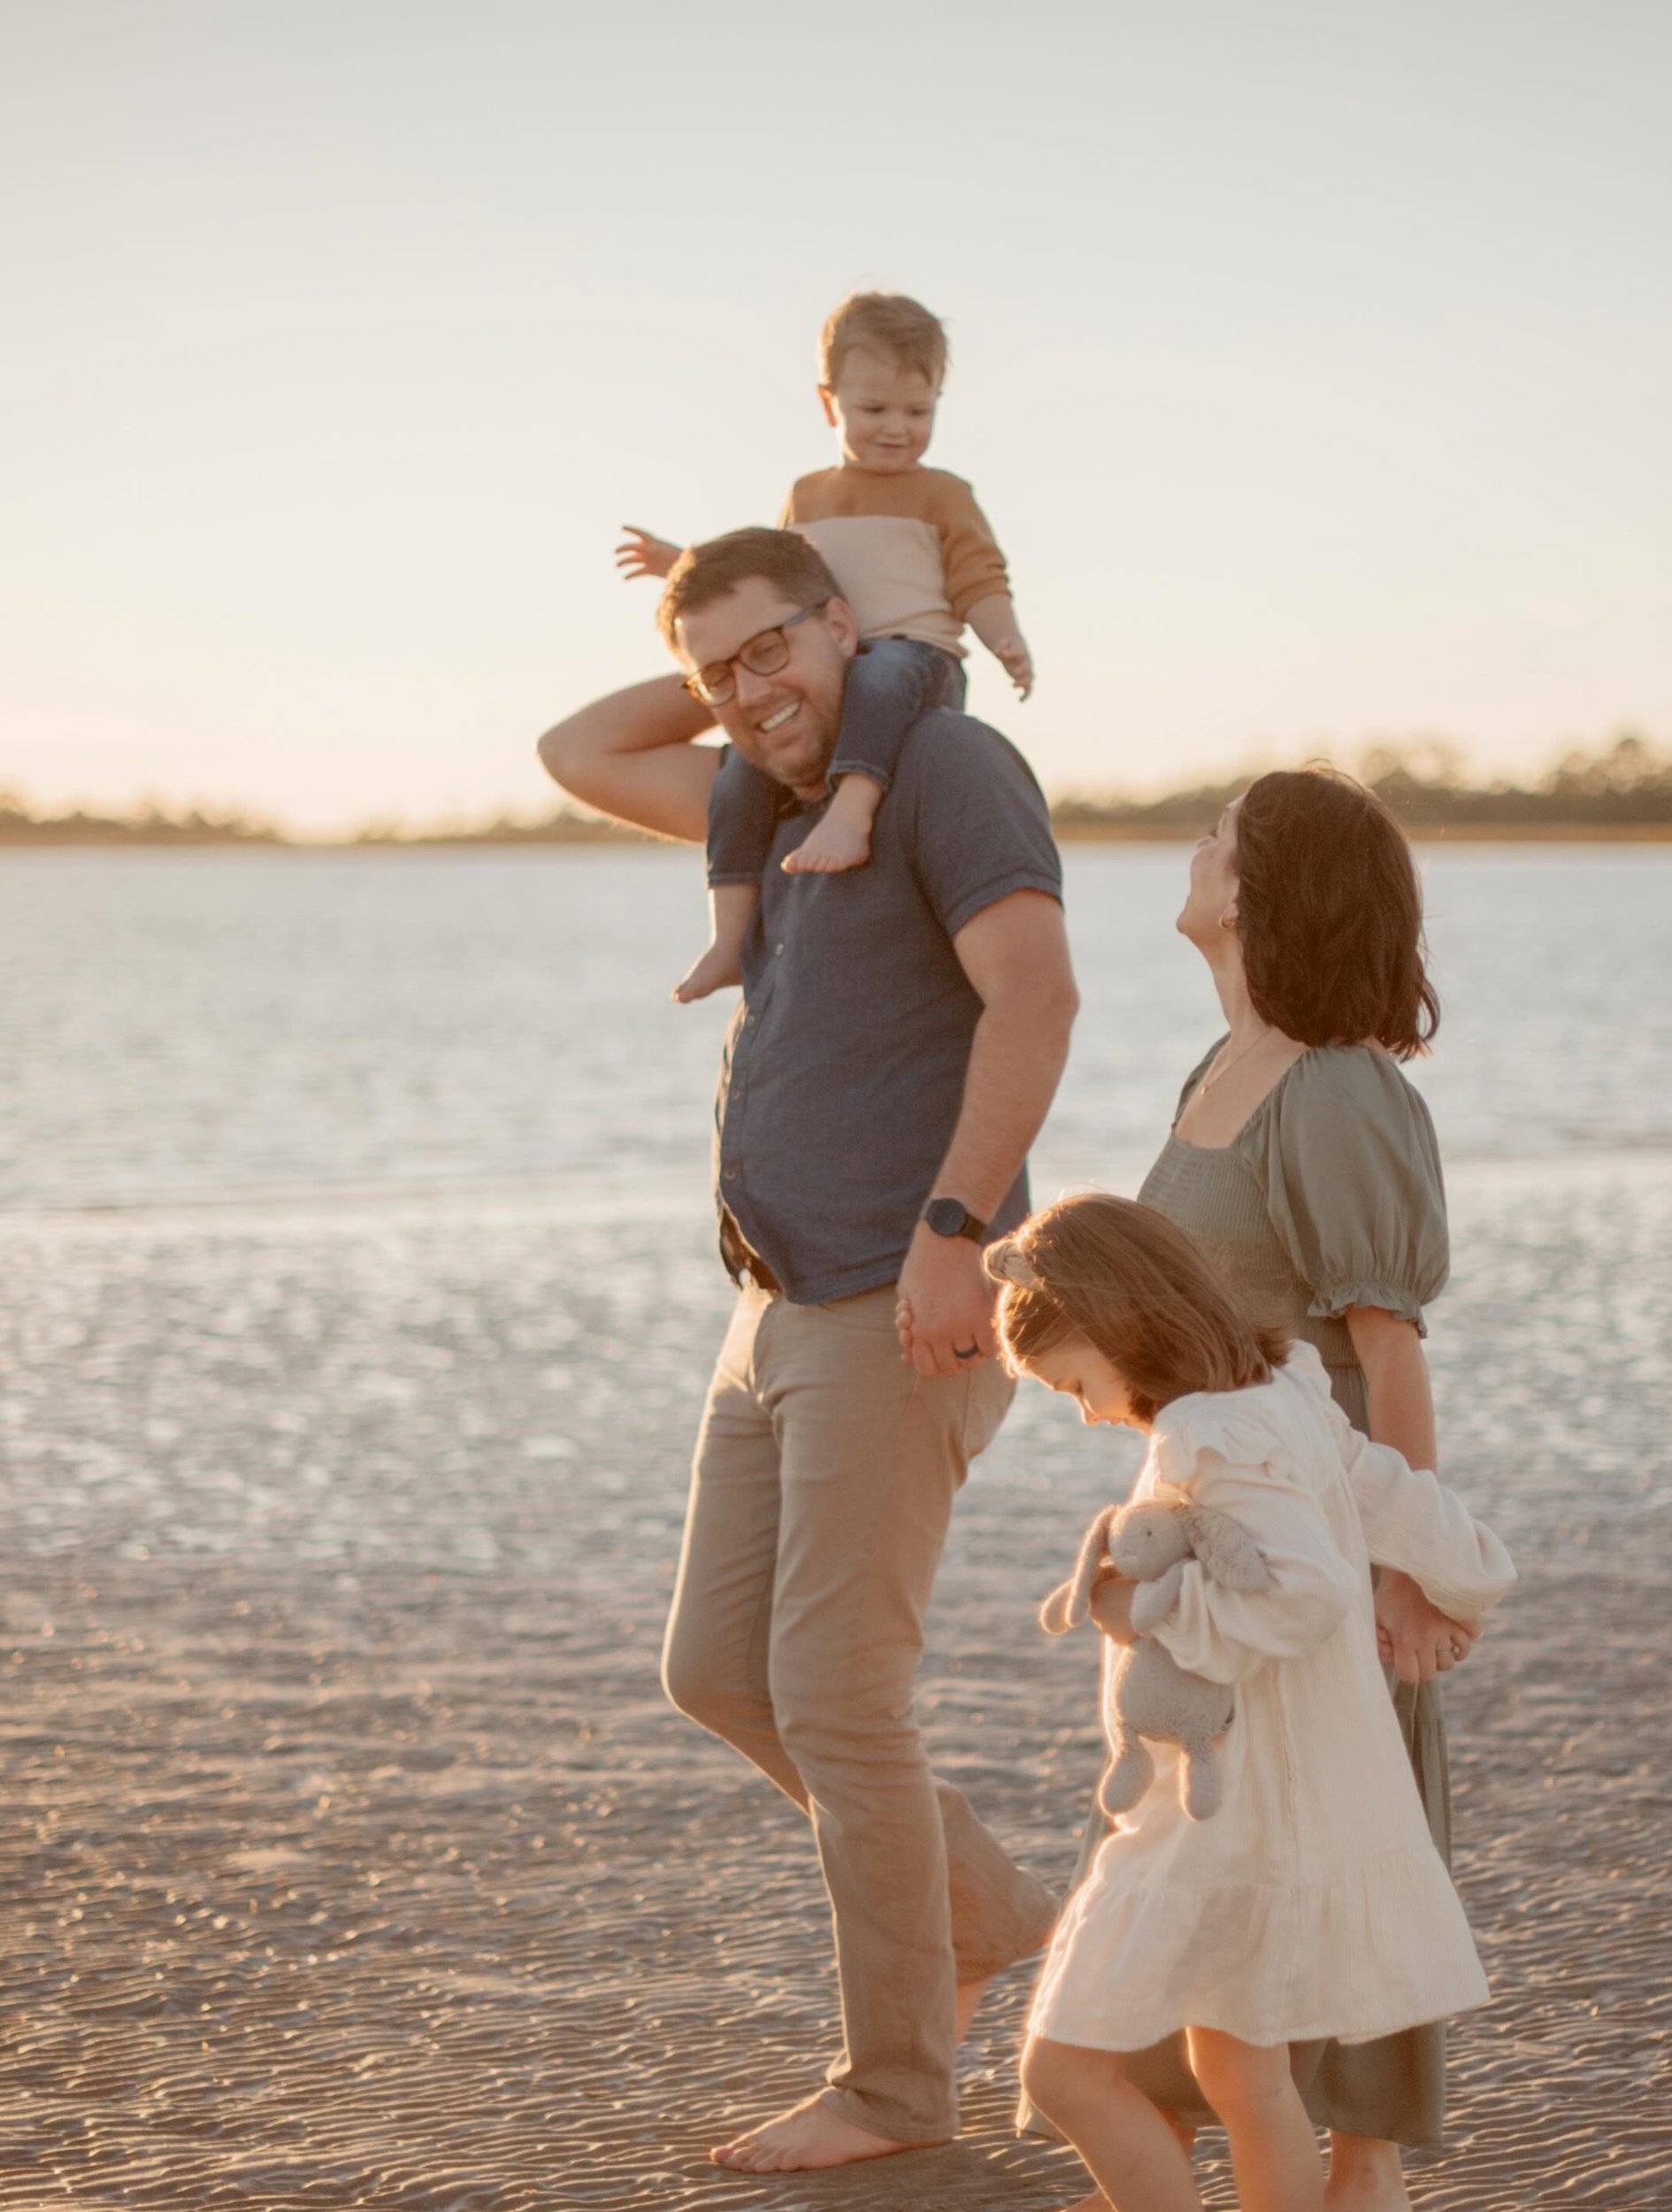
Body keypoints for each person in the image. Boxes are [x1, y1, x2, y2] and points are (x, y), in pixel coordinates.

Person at [534, 525, 1077, 2176]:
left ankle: (900, 2089)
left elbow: (1037, 1002)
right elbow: (578, 750)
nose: (747, 690)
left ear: (853, 623)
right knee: (717, 1673)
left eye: (778, 646)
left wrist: (955, 1232)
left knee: (841, 1704)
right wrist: (739, 660)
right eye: (721, 667)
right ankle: (981, 1913)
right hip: (769, 1304)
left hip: (896, 1298)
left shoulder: (947, 765)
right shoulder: (762, 799)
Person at [1030, 765, 1478, 2212]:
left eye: (1220, 836)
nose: (1196, 848)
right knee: (1219, 1959)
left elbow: (1386, 1353)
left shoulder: (1339, 1086)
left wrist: (1406, 1576)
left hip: (1316, 1558)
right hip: (1223, 1555)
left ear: (1265, 887)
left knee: (1335, 2007)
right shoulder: (1218, 1071)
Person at [988, 1193, 1515, 2212]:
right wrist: (1467, 1577)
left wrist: (1141, 1606)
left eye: (1074, 1383)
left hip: (1216, 1820)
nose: (1088, 1411)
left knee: (1060, 2072)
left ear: (1113, 1323)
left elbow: (1305, 1591)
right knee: (1241, 2073)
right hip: (1278, 1810)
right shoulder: (1282, 1390)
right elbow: (1383, 1490)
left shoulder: (1207, 1432)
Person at [615, 292, 1035, 1003]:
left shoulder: (941, 493)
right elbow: (767, 579)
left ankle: (852, 814)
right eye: (875, 410)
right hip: (838, 674)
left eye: (919, 411)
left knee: (881, 673)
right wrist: (680, 562)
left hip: (919, 662)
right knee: (741, 775)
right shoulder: (807, 495)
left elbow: (978, 576)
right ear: (828, 402)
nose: (898, 430)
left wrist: (1004, 638)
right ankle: (727, 937)